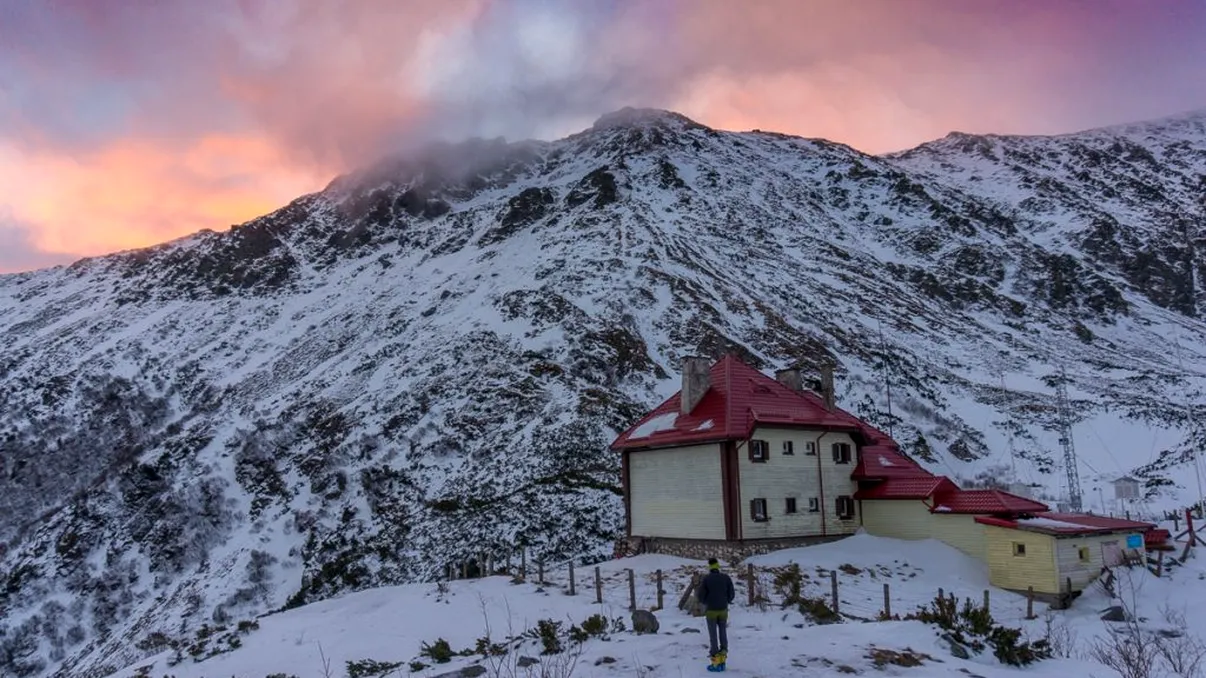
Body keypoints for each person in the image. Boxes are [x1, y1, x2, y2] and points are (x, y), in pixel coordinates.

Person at [696, 557, 735, 670]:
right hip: (723, 610)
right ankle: (723, 659)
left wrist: (706, 602)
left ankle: (715, 662)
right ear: (718, 566)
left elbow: (700, 595)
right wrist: (726, 600)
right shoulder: (726, 578)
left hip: (711, 610)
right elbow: (731, 593)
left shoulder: (707, 579)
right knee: (723, 632)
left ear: (709, 567)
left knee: (713, 636)